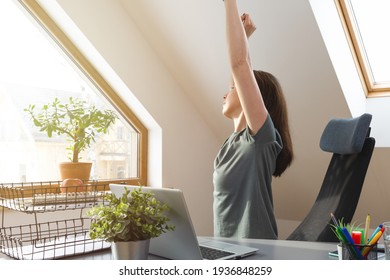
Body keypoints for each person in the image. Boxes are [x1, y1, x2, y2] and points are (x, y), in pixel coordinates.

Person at [213, 0, 293, 240]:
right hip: (225, 253)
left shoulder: (261, 139)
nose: (226, 92)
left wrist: (229, 4)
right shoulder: (233, 143)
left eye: (234, 87)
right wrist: (245, 36)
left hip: (255, 255)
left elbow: (240, 66)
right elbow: (240, 69)